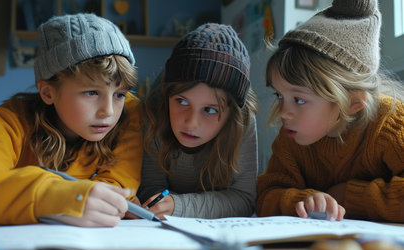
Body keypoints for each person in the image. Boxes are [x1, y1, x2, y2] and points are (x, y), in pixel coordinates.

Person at [0, 13, 143, 227]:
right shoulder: (13, 117)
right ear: (47, 92)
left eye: (119, 94)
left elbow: (116, 187)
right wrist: (50, 197)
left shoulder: (129, 111)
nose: (108, 112)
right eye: (91, 93)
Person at [256, 0, 404, 223]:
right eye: (279, 95)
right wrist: (302, 200)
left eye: (299, 99)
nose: (284, 112)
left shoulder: (390, 123)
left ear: (353, 102)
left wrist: (348, 196)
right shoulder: (291, 136)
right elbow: (267, 195)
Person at [137, 23, 259, 219]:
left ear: (231, 114)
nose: (191, 123)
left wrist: (180, 205)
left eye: (210, 110)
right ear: (167, 95)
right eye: (182, 101)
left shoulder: (242, 121)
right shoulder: (155, 110)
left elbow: (244, 199)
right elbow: (151, 188)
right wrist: (159, 202)